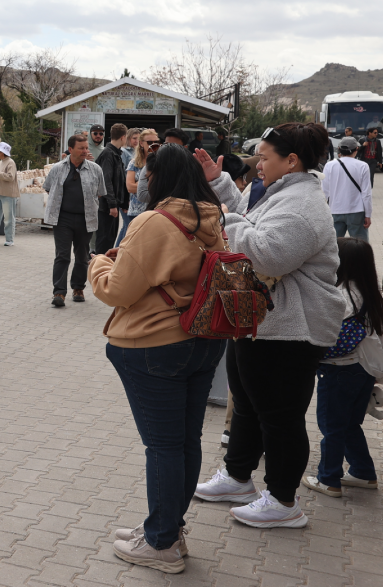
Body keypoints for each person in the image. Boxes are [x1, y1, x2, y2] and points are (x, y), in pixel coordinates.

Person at [193, 122, 344, 530]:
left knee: (280, 415)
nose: (257, 164)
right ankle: (238, 478)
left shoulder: (303, 205)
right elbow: (249, 217)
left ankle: (282, 500)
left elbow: (266, 255)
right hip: (264, 322)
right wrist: (221, 187)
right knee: (246, 401)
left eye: (264, 157)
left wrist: (225, 219)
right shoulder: (285, 193)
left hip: (292, 329)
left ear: (290, 161)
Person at [90, 144, 228, 574]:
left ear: (160, 178)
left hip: (155, 346)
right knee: (184, 442)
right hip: (204, 340)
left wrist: (98, 264)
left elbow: (116, 291)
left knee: (163, 447)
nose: (142, 177)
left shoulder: (154, 220)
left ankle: (162, 543)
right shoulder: (211, 219)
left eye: (146, 172)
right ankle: (167, 528)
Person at [302, 237, 381, 498]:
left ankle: (328, 479)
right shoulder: (370, 292)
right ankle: (362, 472)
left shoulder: (340, 294)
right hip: (363, 370)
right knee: (348, 425)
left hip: (338, 370)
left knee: (331, 426)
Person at [43, 134, 106, 307]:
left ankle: (78, 288)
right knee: (62, 255)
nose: (86, 151)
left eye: (86, 148)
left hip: (86, 219)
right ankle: (59, 293)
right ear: (70, 149)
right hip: (62, 219)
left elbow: (100, 192)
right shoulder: (57, 168)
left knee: (81, 256)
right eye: (82, 148)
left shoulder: (95, 169)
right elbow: (48, 188)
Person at [322, 136, 372, 241]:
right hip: (357, 211)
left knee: (334, 246)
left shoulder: (329, 166)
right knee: (360, 246)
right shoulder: (363, 166)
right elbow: (366, 193)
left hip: (335, 210)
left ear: (339, 149)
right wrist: (367, 214)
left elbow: (324, 192)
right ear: (357, 149)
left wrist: (322, 212)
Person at [119, 129, 157, 247]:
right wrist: (153, 184)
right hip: (136, 211)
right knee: (132, 245)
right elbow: (129, 186)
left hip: (155, 211)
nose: (153, 145)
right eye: (149, 142)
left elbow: (165, 185)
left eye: (156, 142)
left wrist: (139, 184)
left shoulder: (161, 161)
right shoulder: (134, 162)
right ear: (141, 143)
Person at [95, 123, 130, 253]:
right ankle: (98, 269)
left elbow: (120, 181)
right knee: (104, 242)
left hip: (112, 206)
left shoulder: (116, 154)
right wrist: (112, 205)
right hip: (106, 207)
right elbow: (106, 181)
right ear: (123, 137)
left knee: (109, 241)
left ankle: (104, 268)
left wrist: (124, 203)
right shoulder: (108, 154)